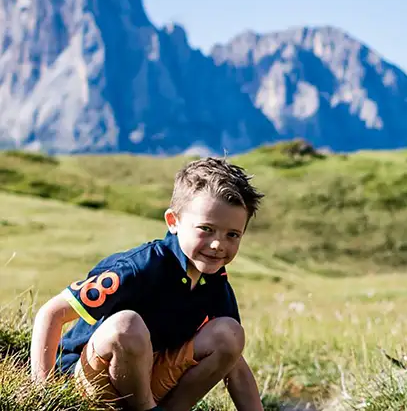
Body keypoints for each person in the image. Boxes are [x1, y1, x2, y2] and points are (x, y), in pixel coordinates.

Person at [30, 157, 266, 411]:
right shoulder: (139, 267)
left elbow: (233, 362)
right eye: (206, 229)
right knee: (126, 325)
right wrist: (43, 394)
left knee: (230, 334)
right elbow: (51, 314)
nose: (219, 244)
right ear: (173, 222)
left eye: (232, 234)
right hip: (88, 381)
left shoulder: (216, 283)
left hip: (149, 380)